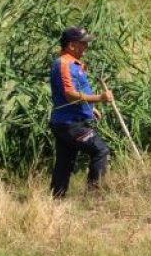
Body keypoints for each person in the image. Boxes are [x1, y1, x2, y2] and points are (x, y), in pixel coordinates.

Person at [49, 26, 114, 198]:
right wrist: (100, 97)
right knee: (100, 150)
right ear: (71, 45)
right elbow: (70, 95)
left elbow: (76, 93)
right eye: (83, 43)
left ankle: (56, 200)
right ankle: (93, 196)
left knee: (65, 162)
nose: (86, 47)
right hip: (70, 124)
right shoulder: (63, 64)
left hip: (67, 122)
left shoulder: (73, 64)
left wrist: (91, 108)